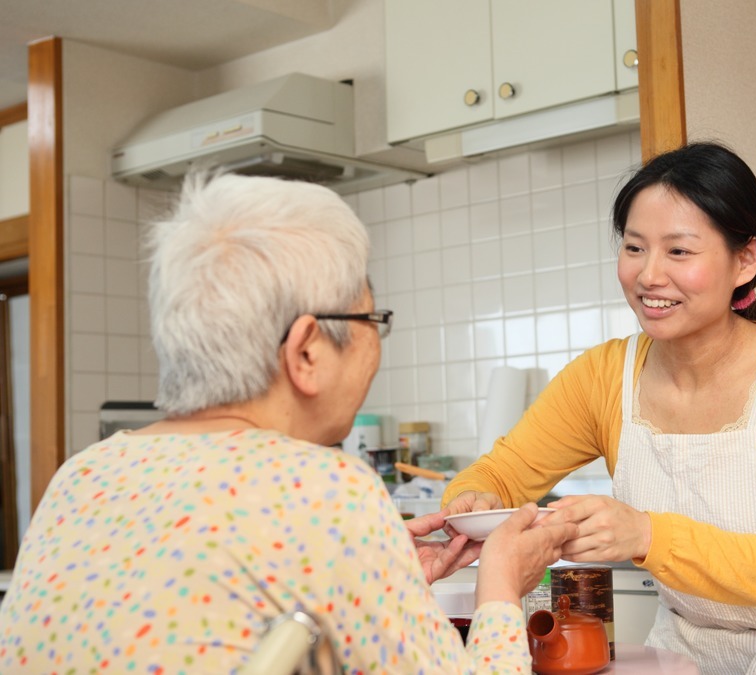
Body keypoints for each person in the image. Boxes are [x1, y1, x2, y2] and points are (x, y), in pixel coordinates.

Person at [0, 171, 575, 674]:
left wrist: (377, 580)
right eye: (372, 317)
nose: (377, 339)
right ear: (306, 352)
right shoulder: (325, 493)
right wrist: (499, 590)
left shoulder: (81, 477)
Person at [443, 142, 756, 673]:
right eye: (634, 248)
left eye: (679, 251)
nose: (649, 275)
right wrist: (470, 499)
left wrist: (646, 534)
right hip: (695, 642)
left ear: (745, 261)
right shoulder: (604, 377)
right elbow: (500, 473)